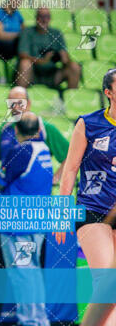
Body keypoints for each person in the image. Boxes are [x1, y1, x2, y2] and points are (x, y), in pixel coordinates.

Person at [0, 86, 69, 326]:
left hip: (17, 218)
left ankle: (31, 320)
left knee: (23, 272)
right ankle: (27, 318)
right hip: (28, 215)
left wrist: (58, 179)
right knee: (17, 269)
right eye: (12, 103)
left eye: (19, 102)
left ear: (28, 103)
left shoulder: (40, 134)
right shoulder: (13, 134)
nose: (16, 107)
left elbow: (71, 156)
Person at [54, 69, 116, 326]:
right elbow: (69, 169)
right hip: (93, 209)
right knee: (106, 282)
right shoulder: (89, 123)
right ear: (108, 93)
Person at [0, 112, 52, 326]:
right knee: (33, 272)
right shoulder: (45, 150)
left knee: (23, 273)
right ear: (39, 130)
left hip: (18, 223)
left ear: (16, 131)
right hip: (38, 221)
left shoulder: (20, 151)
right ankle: (39, 319)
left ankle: (29, 321)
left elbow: (0, 181)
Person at [17, 7, 81, 89]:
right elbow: (22, 55)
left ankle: (72, 99)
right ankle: (19, 96)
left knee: (74, 67)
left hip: (52, 75)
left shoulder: (56, 33)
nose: (44, 20)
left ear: (50, 19)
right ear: (36, 18)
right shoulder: (27, 32)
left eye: (47, 17)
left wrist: (65, 59)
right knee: (25, 63)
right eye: (41, 16)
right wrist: (43, 61)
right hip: (32, 74)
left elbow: (65, 59)